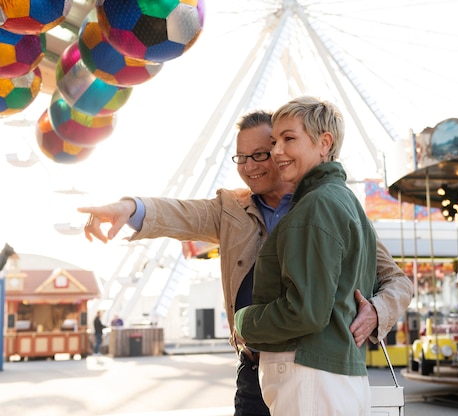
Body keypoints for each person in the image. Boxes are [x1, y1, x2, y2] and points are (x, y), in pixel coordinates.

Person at [78, 110, 412, 416]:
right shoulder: (232, 209)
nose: (249, 166)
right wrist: (129, 208)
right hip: (255, 369)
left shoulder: (325, 206)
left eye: (261, 154)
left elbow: (396, 280)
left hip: (311, 366)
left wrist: (377, 311)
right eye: (241, 157)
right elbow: (182, 213)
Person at [234, 96, 377, 415]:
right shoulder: (346, 202)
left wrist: (245, 321)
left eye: (289, 139)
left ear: (324, 142)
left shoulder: (316, 206)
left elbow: (307, 312)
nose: (276, 151)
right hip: (336, 374)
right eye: (274, 141)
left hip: (309, 376)